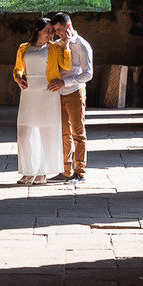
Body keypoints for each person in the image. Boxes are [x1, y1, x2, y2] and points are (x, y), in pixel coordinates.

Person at [12, 17, 72, 185]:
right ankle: (27, 171)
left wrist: (65, 45)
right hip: (29, 93)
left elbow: (66, 66)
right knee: (24, 134)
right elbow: (18, 69)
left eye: (51, 32)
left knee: (46, 134)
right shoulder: (24, 48)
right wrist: (18, 78)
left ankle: (41, 173)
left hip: (48, 92)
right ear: (38, 30)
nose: (50, 34)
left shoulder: (54, 48)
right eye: (47, 31)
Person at [47, 12, 93, 183]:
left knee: (78, 133)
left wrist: (65, 82)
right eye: (55, 30)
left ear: (67, 26)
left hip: (75, 92)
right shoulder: (58, 44)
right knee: (64, 133)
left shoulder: (83, 45)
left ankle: (80, 172)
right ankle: (66, 170)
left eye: (58, 30)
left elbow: (88, 73)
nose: (56, 33)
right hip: (59, 93)